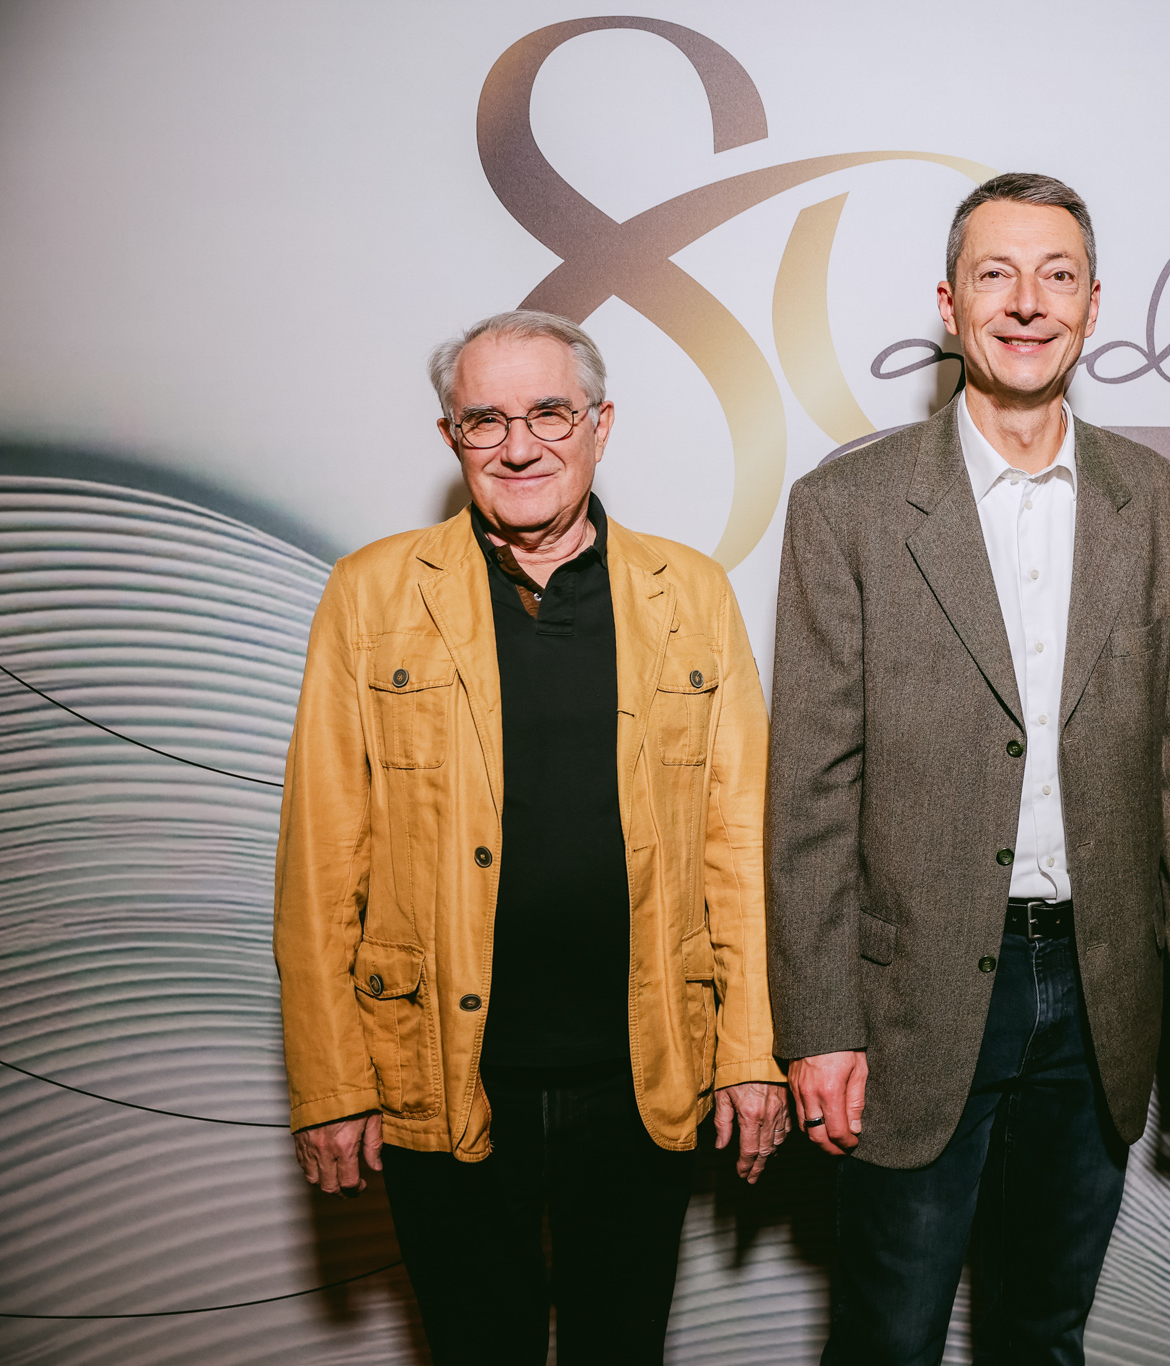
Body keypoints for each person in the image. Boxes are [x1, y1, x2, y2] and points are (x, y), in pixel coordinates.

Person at [766, 173, 1170, 1365]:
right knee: (886, 1339)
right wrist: (818, 1022)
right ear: (948, 304)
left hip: (1099, 987)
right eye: (995, 274)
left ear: (1093, 304)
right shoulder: (845, 508)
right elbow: (810, 788)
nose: (1026, 302)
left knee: (1041, 1334)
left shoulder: (1164, 506)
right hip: (912, 997)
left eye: (1055, 275)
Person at [272, 310, 787, 1365]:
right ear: (450, 437)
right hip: (440, 1074)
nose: (519, 446)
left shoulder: (691, 594)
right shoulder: (369, 594)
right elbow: (321, 857)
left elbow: (740, 847)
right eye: (485, 421)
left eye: (549, 413)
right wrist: (332, 1085)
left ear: (601, 424)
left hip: (643, 1077)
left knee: (620, 1350)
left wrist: (750, 1055)